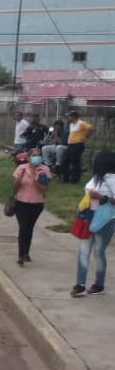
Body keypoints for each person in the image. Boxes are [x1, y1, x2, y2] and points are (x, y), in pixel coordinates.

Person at [72, 151, 115, 297]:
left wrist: (102, 197)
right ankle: (80, 284)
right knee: (84, 251)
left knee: (98, 252)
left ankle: (99, 283)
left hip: (105, 220)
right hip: (90, 216)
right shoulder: (96, 178)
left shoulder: (112, 178)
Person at [12, 148, 51, 266]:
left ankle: (26, 252)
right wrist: (18, 180)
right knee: (23, 227)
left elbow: (44, 188)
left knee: (29, 228)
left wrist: (35, 178)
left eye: (38, 155)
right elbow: (15, 186)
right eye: (34, 155)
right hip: (21, 201)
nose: (36, 157)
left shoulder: (44, 170)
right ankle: (21, 254)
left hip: (36, 203)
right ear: (28, 157)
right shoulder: (21, 168)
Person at [65, 110, 93, 184]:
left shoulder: (80, 123)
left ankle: (75, 180)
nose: (68, 118)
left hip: (78, 144)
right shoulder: (71, 124)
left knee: (75, 162)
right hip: (71, 145)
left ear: (73, 117)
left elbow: (90, 128)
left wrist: (85, 137)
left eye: (69, 116)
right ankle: (66, 178)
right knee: (65, 160)